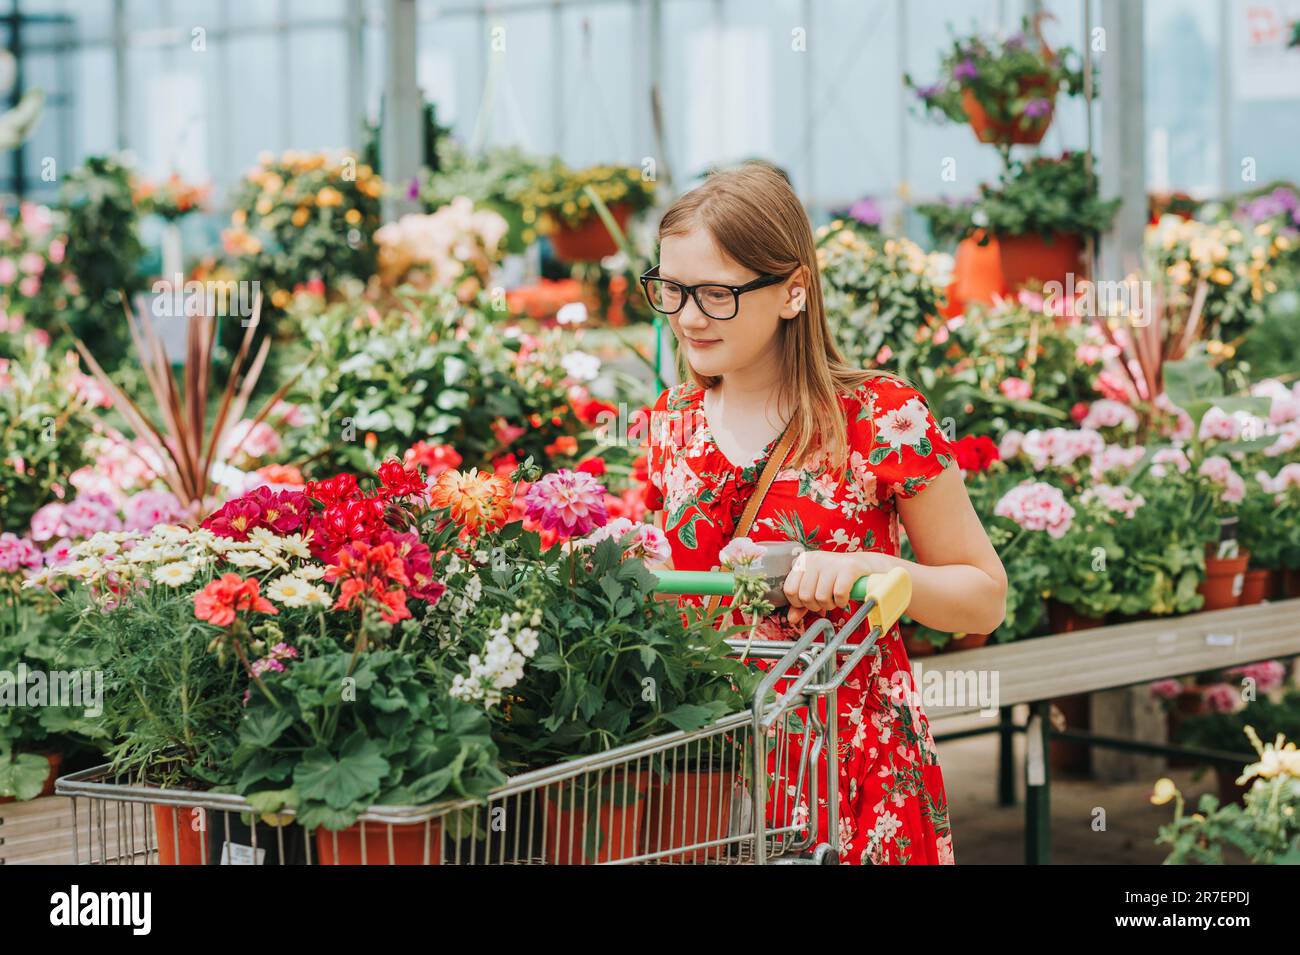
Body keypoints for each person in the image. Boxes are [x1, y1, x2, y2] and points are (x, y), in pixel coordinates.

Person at [640, 161, 1007, 865]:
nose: (687, 316)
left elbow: (983, 596)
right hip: (710, 776)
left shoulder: (879, 416)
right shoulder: (672, 421)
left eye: (716, 293)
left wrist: (869, 569)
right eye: (673, 289)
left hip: (854, 770)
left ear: (792, 291)